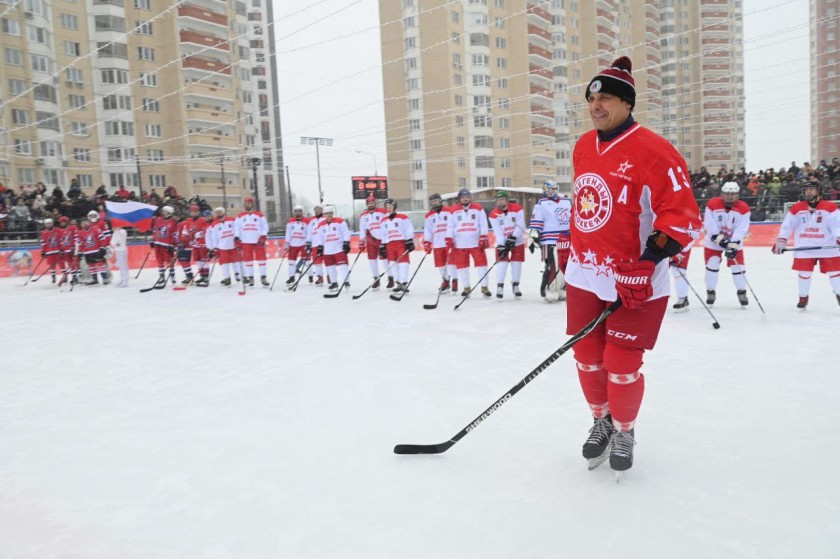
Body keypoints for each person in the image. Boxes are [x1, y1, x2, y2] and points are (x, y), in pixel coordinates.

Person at [567, 56, 701, 473]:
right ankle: (601, 422)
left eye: (605, 98)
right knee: (587, 355)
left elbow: (683, 218)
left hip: (635, 278)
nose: (596, 106)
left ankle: (624, 430)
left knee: (622, 362)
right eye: (591, 99)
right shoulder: (583, 146)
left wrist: (648, 260)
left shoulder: (655, 151)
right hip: (585, 273)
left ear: (627, 103)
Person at [772, 180, 840, 308]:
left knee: (835, 272)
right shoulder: (797, 208)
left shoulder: (830, 207)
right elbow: (787, 226)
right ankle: (803, 297)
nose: (809, 192)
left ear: (819, 191)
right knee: (804, 273)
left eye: (812, 189)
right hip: (805, 246)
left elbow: (837, 225)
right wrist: (781, 239)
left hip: (827, 246)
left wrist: (839, 237)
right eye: (807, 189)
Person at [703, 181, 751, 306]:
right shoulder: (712, 204)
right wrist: (719, 238)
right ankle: (711, 291)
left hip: (733, 241)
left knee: (738, 267)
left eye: (733, 194)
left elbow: (742, 228)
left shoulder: (744, 208)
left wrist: (733, 244)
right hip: (714, 241)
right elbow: (709, 223)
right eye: (727, 193)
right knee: (712, 264)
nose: (730, 196)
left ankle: (742, 292)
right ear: (722, 194)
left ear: (738, 195)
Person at [529, 180, 573, 299]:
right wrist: (534, 237)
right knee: (552, 265)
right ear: (546, 190)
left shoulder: (566, 202)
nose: (554, 191)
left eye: (555, 188)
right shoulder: (541, 204)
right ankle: (549, 289)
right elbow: (536, 222)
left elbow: (573, 218)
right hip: (549, 240)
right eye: (551, 189)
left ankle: (561, 288)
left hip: (566, 239)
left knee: (566, 265)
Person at [446, 189, 491, 297]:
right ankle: (466, 287)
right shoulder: (453, 210)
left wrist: (483, 236)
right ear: (459, 198)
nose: (465, 199)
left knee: (482, 265)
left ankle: (484, 287)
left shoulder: (478, 207)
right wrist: (449, 238)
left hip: (476, 242)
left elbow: (483, 223)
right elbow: (450, 226)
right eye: (463, 197)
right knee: (462, 267)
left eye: (467, 197)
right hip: (459, 244)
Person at [488, 191, 526, 298]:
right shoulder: (493, 214)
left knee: (516, 263)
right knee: (502, 264)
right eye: (498, 200)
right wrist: (502, 244)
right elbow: (497, 231)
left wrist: (513, 237)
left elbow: (521, 224)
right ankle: (500, 286)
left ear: (506, 200)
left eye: (502, 199)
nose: (500, 201)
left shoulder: (517, 208)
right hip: (503, 242)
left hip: (517, 241)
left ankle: (515, 285)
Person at [311, 205, 352, 291]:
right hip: (327, 250)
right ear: (324, 215)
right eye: (326, 214)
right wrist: (320, 247)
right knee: (330, 268)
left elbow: (346, 232)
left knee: (343, 266)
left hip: (339, 249)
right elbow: (320, 237)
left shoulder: (340, 221)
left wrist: (346, 242)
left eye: (330, 213)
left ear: (333, 214)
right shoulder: (321, 225)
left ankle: (346, 282)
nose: (328, 215)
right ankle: (334, 283)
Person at [379, 199, 415, 292]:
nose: (389, 209)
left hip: (401, 243)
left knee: (403, 263)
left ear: (394, 207)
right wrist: (382, 245)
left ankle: (403, 283)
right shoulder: (383, 220)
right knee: (392, 263)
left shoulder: (403, 217)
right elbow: (383, 234)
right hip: (389, 244)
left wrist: (409, 240)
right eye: (387, 207)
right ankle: (398, 283)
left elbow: (408, 229)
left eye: (390, 207)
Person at [423, 193, 455, 293]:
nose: (434, 203)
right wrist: (427, 242)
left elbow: (454, 225)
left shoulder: (449, 211)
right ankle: (445, 281)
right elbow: (428, 230)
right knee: (441, 264)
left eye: (436, 200)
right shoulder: (428, 215)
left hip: (449, 242)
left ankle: (454, 281)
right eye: (432, 201)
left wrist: (453, 238)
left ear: (440, 201)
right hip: (438, 243)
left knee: (451, 263)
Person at [235, 197, 270, 286]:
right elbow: (237, 228)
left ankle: (263, 277)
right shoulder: (240, 216)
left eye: (249, 203)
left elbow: (265, 227)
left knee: (262, 259)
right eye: (246, 203)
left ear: (252, 204)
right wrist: (237, 238)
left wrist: (263, 236)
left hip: (258, 241)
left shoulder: (259, 215)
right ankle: (250, 278)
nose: (247, 205)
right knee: (248, 260)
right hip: (245, 241)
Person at [358, 195, 390, 289]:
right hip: (370, 239)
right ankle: (376, 279)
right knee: (372, 260)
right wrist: (362, 241)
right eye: (369, 203)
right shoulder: (363, 216)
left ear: (375, 203)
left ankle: (391, 277)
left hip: (382, 239)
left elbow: (387, 223)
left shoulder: (382, 212)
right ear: (367, 204)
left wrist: (387, 237)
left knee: (384, 259)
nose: (371, 204)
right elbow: (362, 229)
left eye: (372, 202)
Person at [206, 207, 239, 286]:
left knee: (236, 261)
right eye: (217, 212)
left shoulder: (232, 220)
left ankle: (238, 275)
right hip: (222, 247)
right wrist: (215, 247)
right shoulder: (214, 224)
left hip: (233, 245)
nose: (218, 213)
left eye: (220, 212)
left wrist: (238, 238)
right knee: (224, 263)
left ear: (224, 212)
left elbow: (237, 229)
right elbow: (214, 237)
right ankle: (227, 278)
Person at [76, 217, 108, 285]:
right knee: (91, 266)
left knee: (100, 264)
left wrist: (103, 247)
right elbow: (80, 244)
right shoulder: (80, 233)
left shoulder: (96, 229)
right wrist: (80, 253)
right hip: (87, 252)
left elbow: (102, 238)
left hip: (97, 251)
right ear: (81, 225)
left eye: (86, 222)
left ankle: (105, 279)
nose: (84, 224)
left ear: (89, 222)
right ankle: (95, 280)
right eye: (82, 223)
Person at [150, 205, 177, 284]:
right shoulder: (158, 219)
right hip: (158, 244)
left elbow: (174, 234)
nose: (163, 212)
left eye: (165, 211)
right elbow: (155, 231)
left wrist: (172, 245)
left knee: (170, 262)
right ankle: (162, 277)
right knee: (160, 261)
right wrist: (153, 240)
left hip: (167, 245)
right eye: (163, 210)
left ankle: (172, 276)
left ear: (169, 213)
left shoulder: (173, 221)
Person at [284, 205, 310, 286]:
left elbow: (309, 232)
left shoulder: (306, 220)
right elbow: (288, 233)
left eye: (299, 211)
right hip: (293, 244)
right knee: (291, 262)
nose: (298, 213)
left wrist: (308, 242)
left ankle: (311, 276)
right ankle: (292, 277)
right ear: (294, 212)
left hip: (303, 243)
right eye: (296, 211)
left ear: (302, 212)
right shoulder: (290, 221)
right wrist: (287, 243)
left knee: (307, 261)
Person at [175, 204, 200, 285]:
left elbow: (188, 234)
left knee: (184, 261)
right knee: (183, 261)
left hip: (186, 246)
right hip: (181, 245)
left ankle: (189, 277)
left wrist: (183, 242)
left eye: (178, 216)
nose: (176, 217)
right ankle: (188, 276)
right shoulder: (179, 223)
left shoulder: (185, 223)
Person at [305, 204, 326, 285]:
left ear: (321, 210)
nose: (317, 211)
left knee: (328, 261)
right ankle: (320, 277)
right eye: (316, 209)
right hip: (314, 244)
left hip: (325, 244)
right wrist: (308, 242)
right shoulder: (312, 220)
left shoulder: (325, 218)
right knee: (317, 262)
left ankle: (330, 276)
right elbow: (309, 232)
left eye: (319, 209)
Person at [192, 209, 213, 287]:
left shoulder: (212, 224)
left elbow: (209, 234)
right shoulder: (202, 222)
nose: (207, 218)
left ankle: (206, 277)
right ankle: (202, 276)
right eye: (205, 216)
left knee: (204, 260)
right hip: (198, 244)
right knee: (198, 260)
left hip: (205, 245)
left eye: (208, 216)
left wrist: (211, 247)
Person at [57, 216, 79, 285]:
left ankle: (77, 277)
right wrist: (61, 249)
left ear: (67, 222)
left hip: (73, 249)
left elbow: (76, 237)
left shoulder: (73, 227)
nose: (62, 223)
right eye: (61, 222)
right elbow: (61, 241)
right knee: (70, 264)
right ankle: (74, 277)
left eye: (64, 222)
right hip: (66, 250)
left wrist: (74, 247)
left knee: (76, 263)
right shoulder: (61, 231)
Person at [39, 218, 62, 283]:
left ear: (52, 223)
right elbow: (43, 243)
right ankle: (53, 277)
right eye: (47, 223)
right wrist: (43, 251)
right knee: (52, 265)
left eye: (50, 223)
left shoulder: (57, 230)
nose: (49, 225)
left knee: (61, 263)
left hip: (58, 250)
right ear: (45, 224)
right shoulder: (43, 232)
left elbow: (61, 240)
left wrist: (61, 249)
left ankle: (65, 277)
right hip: (49, 251)